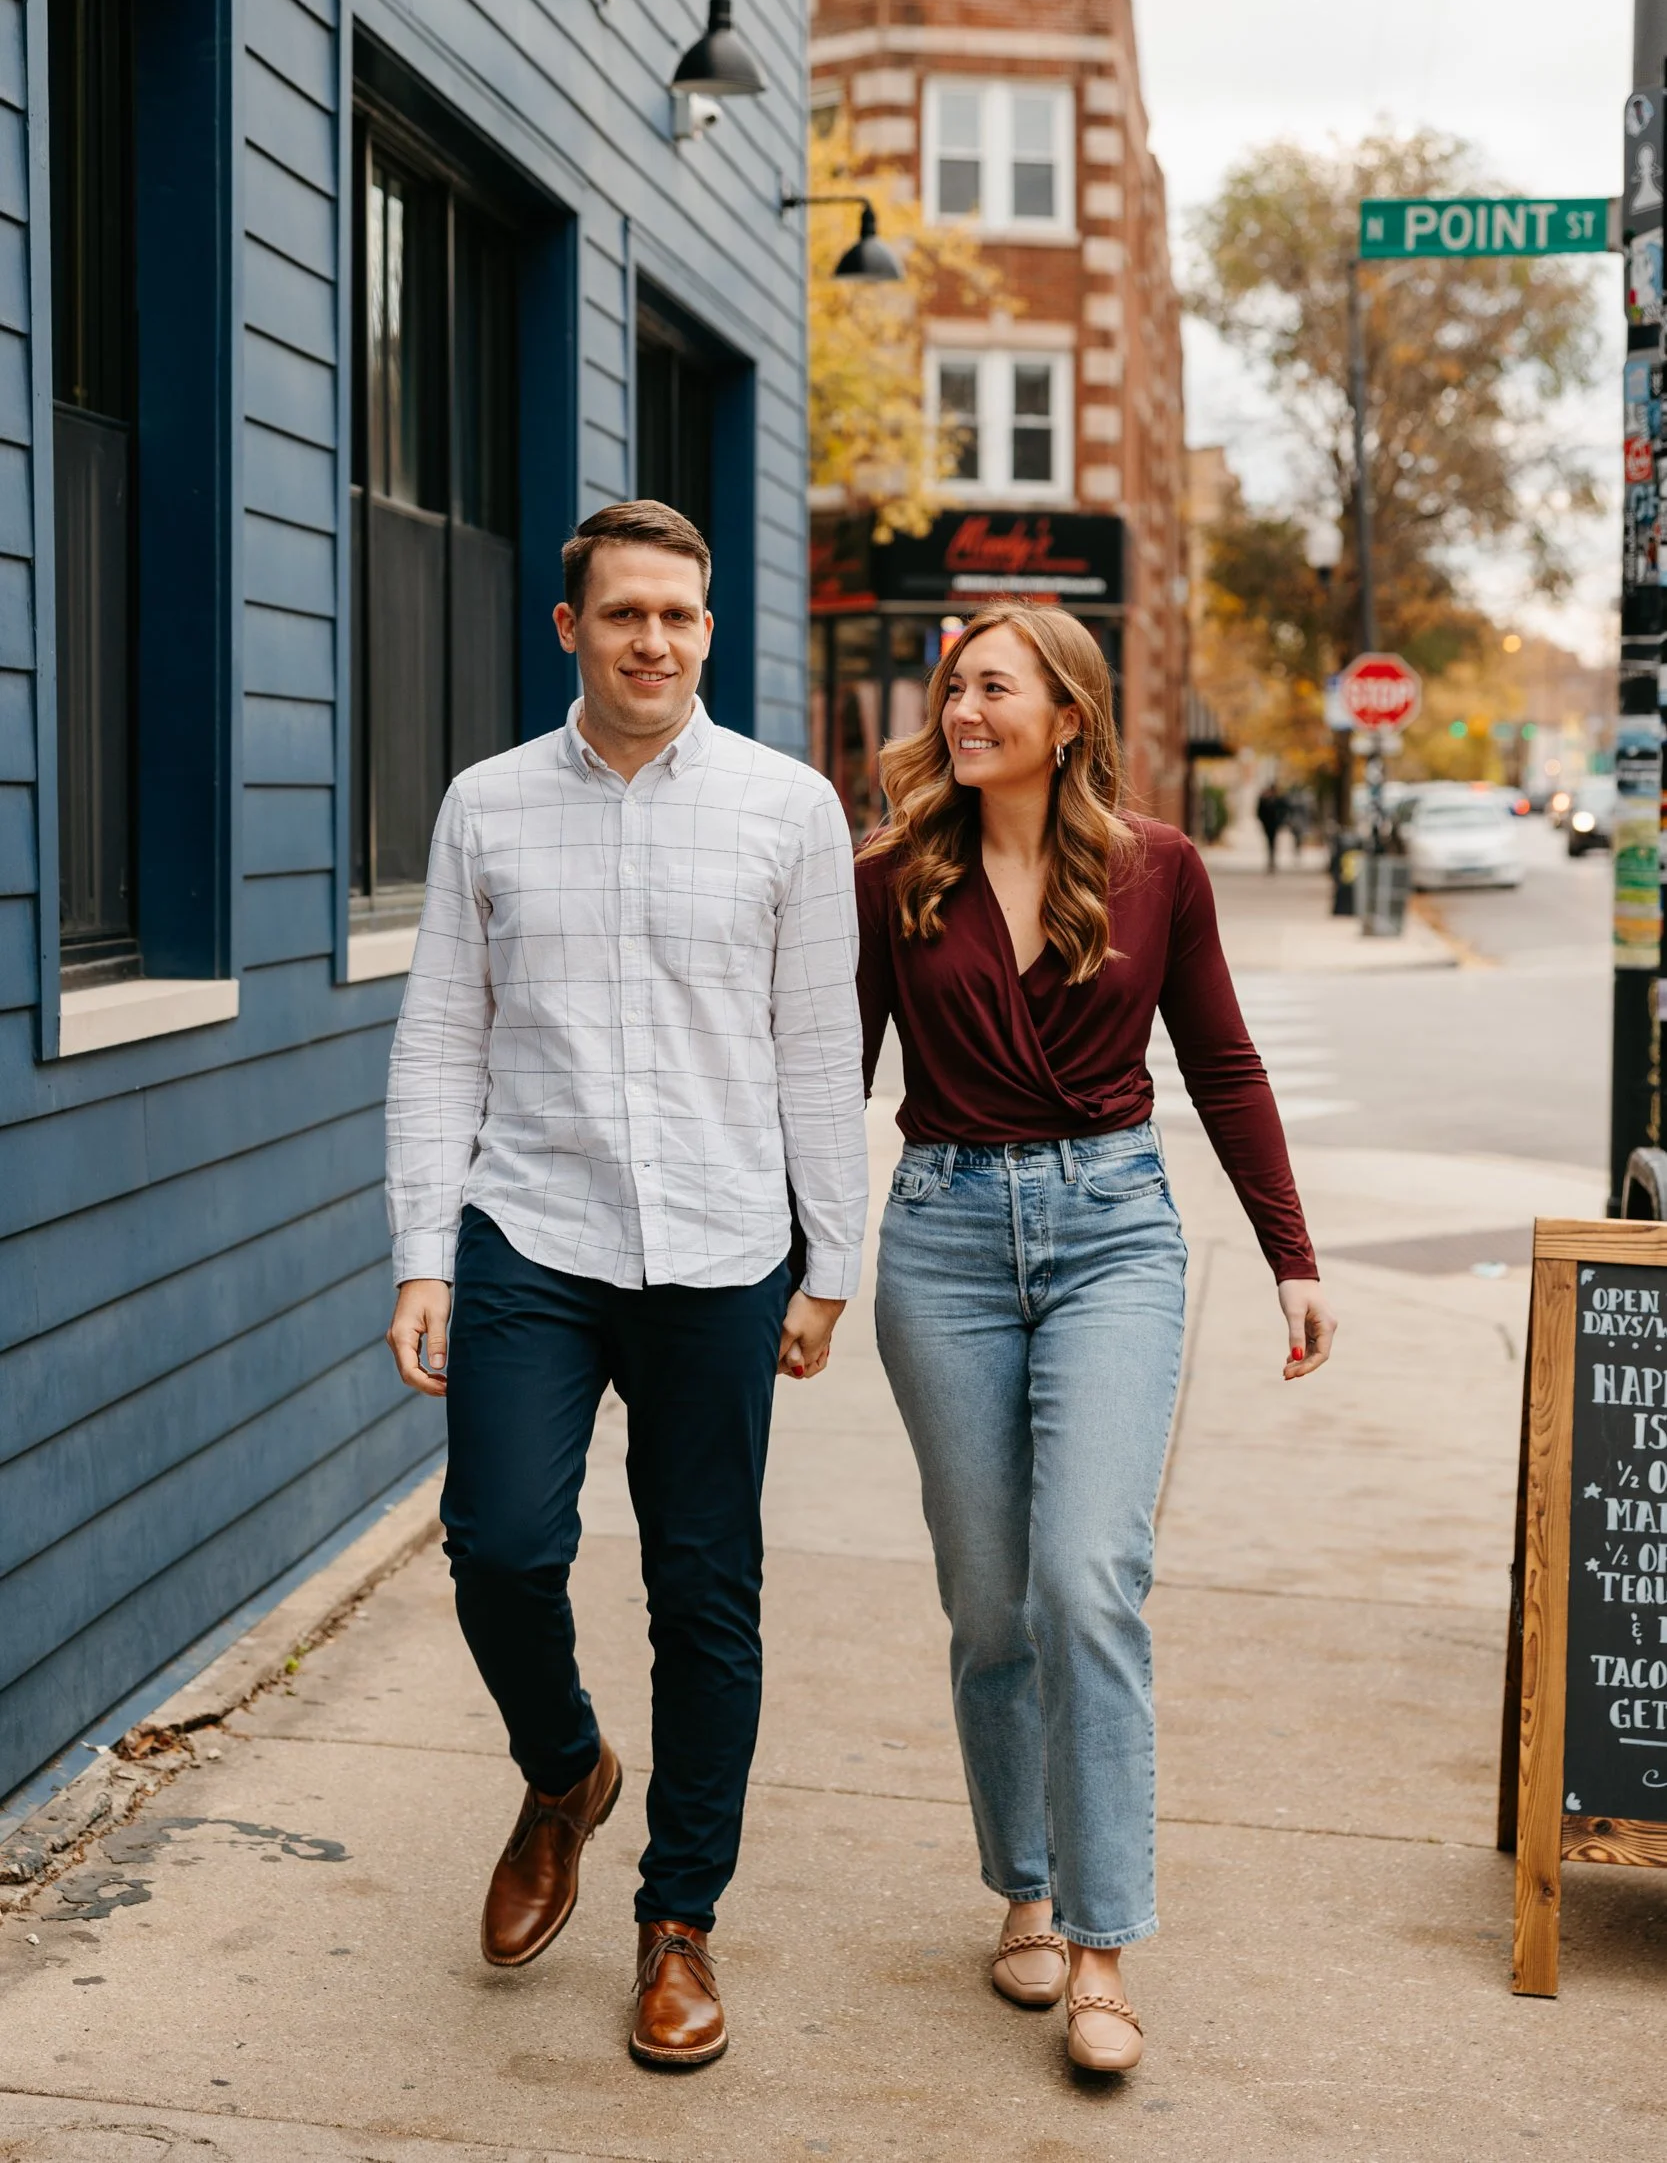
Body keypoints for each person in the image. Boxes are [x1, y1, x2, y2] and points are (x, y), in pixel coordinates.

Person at [384, 500, 867, 2071]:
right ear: (569, 630)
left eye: (678, 615)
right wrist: (419, 1251)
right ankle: (565, 1766)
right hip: (530, 1231)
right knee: (499, 1549)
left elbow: (817, 1049)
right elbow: (441, 1036)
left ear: (707, 631)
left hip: (724, 1248)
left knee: (702, 1588)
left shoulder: (787, 810)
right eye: (622, 616)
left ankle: (678, 1922)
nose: (651, 641)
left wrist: (828, 1261)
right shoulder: (485, 807)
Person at [856, 605, 1335, 2076]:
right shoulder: (891, 879)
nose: (961, 709)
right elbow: (821, 1081)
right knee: (991, 1605)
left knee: (1086, 1580)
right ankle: (1024, 1890)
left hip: (1113, 1234)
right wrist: (795, 1273)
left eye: (991, 686)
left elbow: (1223, 1060)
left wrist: (1288, 1256)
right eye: (951, 687)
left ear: (1067, 716)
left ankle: (1103, 1947)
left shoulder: (1157, 871)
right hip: (936, 1236)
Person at [1255, 782, 1287, 872]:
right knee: (1269, 842)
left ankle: (1272, 860)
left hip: (1275, 825)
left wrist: (1281, 821)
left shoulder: (1279, 800)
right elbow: (1259, 812)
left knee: (1273, 842)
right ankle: (1270, 860)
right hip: (1267, 825)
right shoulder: (1264, 800)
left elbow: (1284, 811)